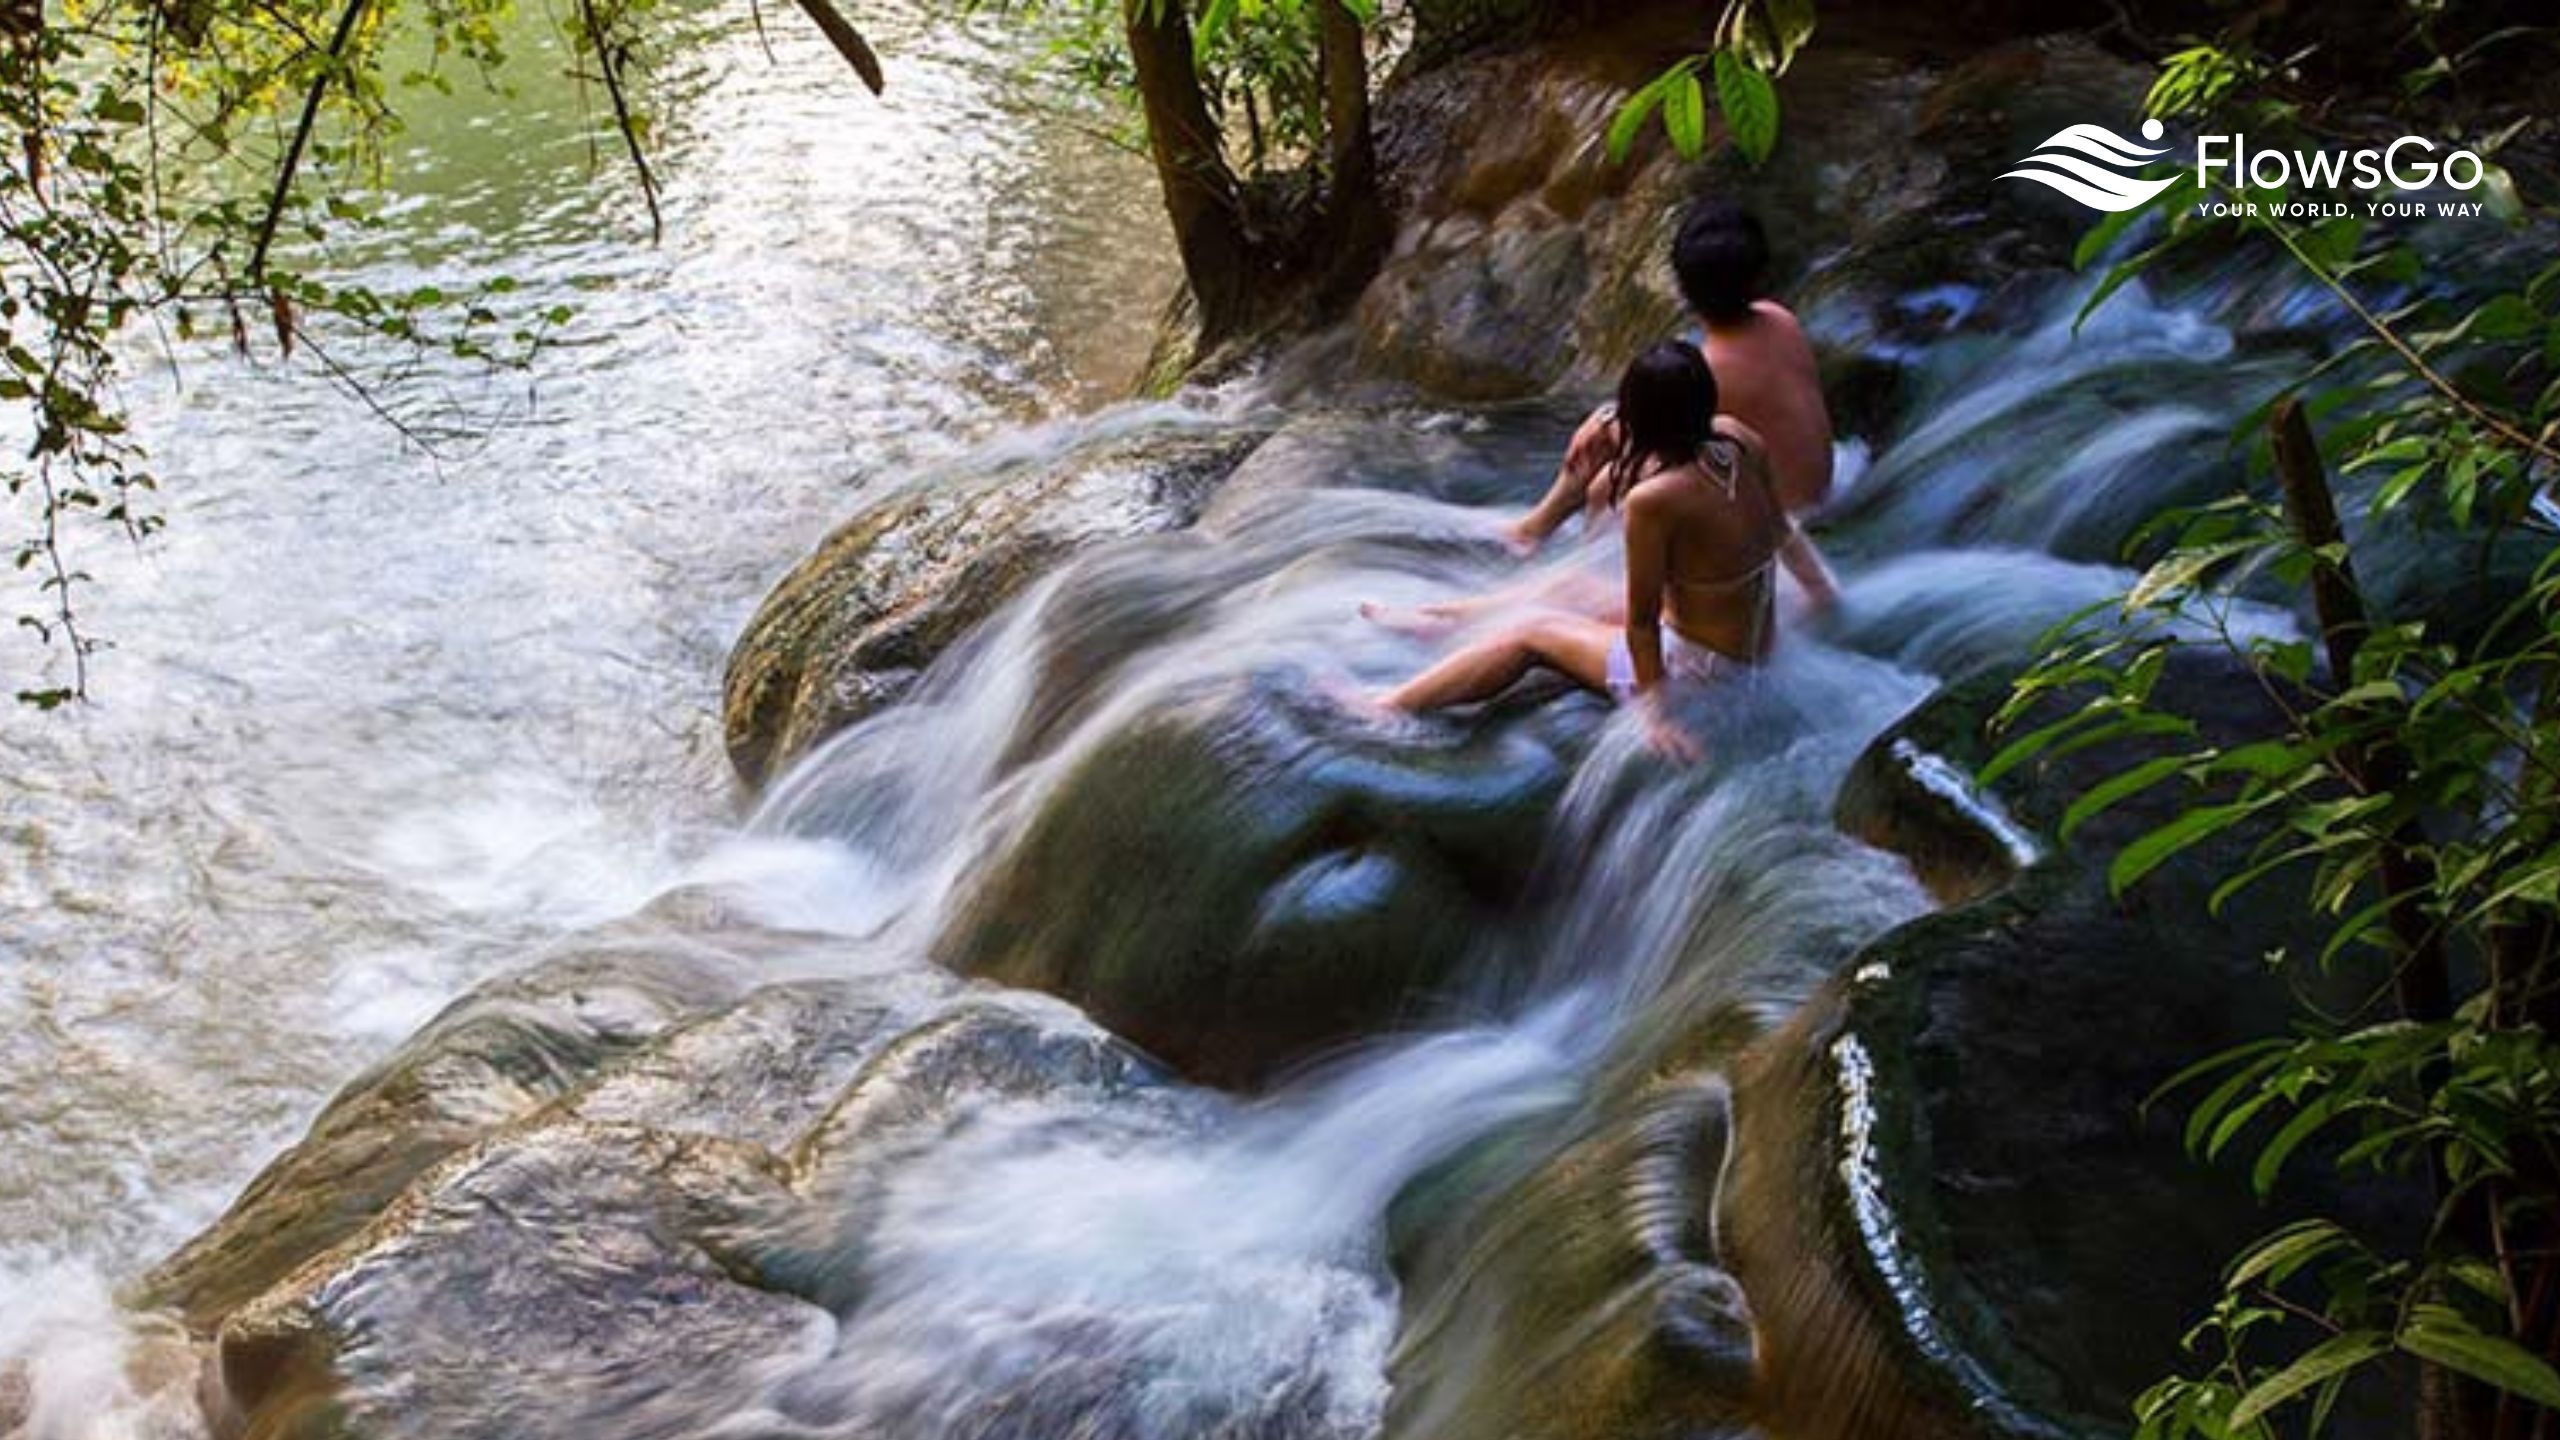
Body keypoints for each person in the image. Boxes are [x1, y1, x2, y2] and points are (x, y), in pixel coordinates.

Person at [1366, 200, 1837, 636]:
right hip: (1799, 506)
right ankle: (1546, 546)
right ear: (1757, 273)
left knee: (1589, 528)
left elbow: (1647, 430)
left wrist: (1606, 422)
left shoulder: (1712, 368)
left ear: (1684, 287)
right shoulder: (1779, 320)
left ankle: (1459, 612)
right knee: (1608, 475)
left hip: (1762, 536)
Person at [1374, 342, 1837, 760]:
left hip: (1699, 677)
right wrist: (1820, 592)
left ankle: (1388, 706)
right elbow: (1780, 529)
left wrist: (1656, 714)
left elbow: (1641, 619)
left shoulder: (1655, 500)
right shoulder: (1735, 438)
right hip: (1743, 648)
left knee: (1530, 633)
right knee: (1569, 585)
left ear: (1641, 419)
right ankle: (1443, 620)